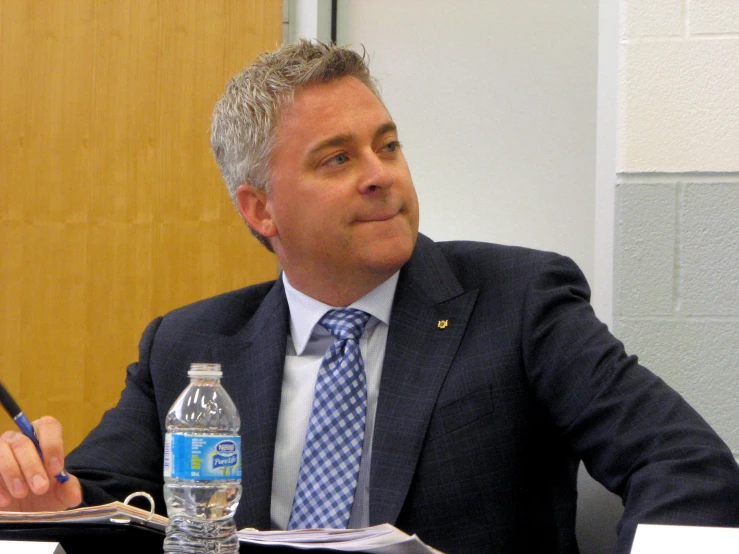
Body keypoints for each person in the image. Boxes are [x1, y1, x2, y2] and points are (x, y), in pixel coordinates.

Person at [1, 40, 738, 553]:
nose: (380, 174)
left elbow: (684, 466)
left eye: (387, 146)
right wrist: (52, 502)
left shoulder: (519, 303)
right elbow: (102, 503)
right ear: (261, 211)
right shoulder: (190, 346)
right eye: (337, 158)